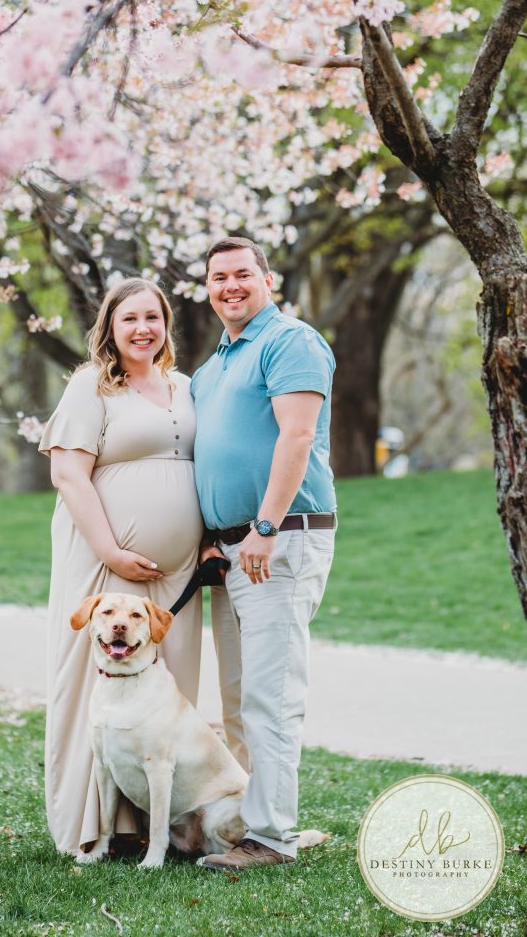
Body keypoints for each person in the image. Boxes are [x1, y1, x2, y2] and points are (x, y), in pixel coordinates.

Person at [38, 278, 203, 856]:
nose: (142, 330)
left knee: (169, 693)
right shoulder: (91, 386)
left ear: (166, 325)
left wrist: (205, 542)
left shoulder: (184, 386)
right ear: (109, 326)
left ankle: (162, 830)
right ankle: (91, 829)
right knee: (94, 688)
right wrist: (111, 551)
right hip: (103, 564)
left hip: (178, 573)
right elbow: (67, 475)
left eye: (153, 318)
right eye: (129, 318)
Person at [191, 236, 337, 872]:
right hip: (230, 552)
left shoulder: (290, 341)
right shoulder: (213, 364)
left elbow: (297, 434)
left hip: (278, 539)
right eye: (219, 277)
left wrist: (266, 526)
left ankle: (271, 839)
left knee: (271, 694)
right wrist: (211, 534)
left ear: (268, 279)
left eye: (242, 274)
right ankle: (256, 823)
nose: (231, 286)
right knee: (237, 697)